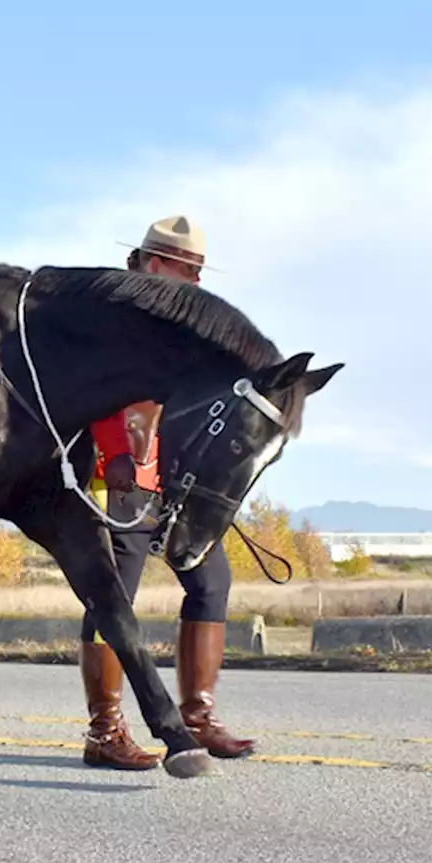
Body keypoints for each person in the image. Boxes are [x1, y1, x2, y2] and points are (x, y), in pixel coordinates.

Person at [77, 214, 255, 771]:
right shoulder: (113, 317)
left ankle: (198, 716)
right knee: (113, 600)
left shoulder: (186, 323)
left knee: (212, 581)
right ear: (155, 264)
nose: (197, 281)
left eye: (200, 271)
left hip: (177, 482)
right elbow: (96, 392)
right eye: (188, 269)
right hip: (118, 475)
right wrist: (119, 456)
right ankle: (104, 732)